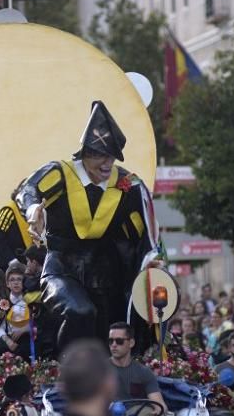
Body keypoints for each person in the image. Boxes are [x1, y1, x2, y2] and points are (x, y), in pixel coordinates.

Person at [16, 101, 158, 351]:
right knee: (79, 311)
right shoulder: (60, 173)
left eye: (111, 156)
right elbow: (28, 190)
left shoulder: (127, 184)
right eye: (100, 155)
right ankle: (68, 375)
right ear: (85, 153)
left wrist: (151, 260)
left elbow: (146, 230)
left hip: (105, 273)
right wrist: (33, 210)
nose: (106, 164)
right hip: (62, 267)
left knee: (112, 328)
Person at [107, 322, 165, 410]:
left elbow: (159, 405)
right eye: (111, 341)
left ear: (131, 343)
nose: (114, 345)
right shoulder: (99, 370)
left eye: (119, 341)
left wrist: (158, 413)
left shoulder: (143, 372)